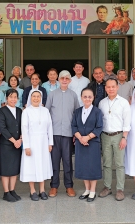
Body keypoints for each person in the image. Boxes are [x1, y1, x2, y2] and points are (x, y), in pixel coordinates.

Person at [45, 70, 80, 198]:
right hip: (54, 133)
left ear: (70, 81)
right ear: (59, 80)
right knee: (54, 161)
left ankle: (69, 186)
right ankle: (54, 186)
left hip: (68, 133)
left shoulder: (74, 95)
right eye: (62, 78)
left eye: (67, 78)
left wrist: (76, 133)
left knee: (67, 161)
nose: (64, 80)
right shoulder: (52, 94)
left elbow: (77, 114)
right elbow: (46, 113)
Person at [98, 78, 131, 201]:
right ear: (105, 88)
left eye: (113, 86)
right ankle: (107, 187)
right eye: (108, 87)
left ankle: (120, 189)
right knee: (106, 163)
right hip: (105, 135)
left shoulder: (123, 103)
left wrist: (124, 137)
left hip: (119, 135)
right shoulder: (102, 103)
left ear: (117, 87)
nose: (111, 89)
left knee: (119, 164)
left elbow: (127, 122)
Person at [20, 90, 53, 201]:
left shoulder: (45, 110)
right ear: (30, 97)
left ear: (41, 98)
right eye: (34, 96)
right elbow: (24, 129)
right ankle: (32, 190)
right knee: (32, 165)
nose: (36, 98)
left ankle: (42, 190)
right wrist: (26, 146)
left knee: (42, 164)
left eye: (38, 96)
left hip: (43, 141)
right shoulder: (26, 111)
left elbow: (50, 127)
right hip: (31, 141)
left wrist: (50, 143)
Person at [72, 88, 103, 202]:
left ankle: (93, 191)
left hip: (93, 143)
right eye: (85, 96)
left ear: (93, 98)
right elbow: (74, 126)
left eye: (89, 96)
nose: (87, 99)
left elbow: (99, 127)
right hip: (80, 143)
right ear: (81, 97)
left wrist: (88, 137)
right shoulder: (77, 111)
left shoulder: (97, 112)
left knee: (92, 167)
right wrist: (80, 137)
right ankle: (87, 189)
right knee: (84, 166)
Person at [0, 89, 23, 202]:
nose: (13, 99)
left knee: (14, 168)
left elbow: (23, 126)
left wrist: (21, 139)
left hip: (18, 144)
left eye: (15, 97)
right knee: (6, 169)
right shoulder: (2, 111)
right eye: (11, 97)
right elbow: (3, 128)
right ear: (6, 98)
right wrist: (14, 141)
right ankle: (6, 192)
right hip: (6, 144)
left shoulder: (19, 110)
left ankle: (12, 190)